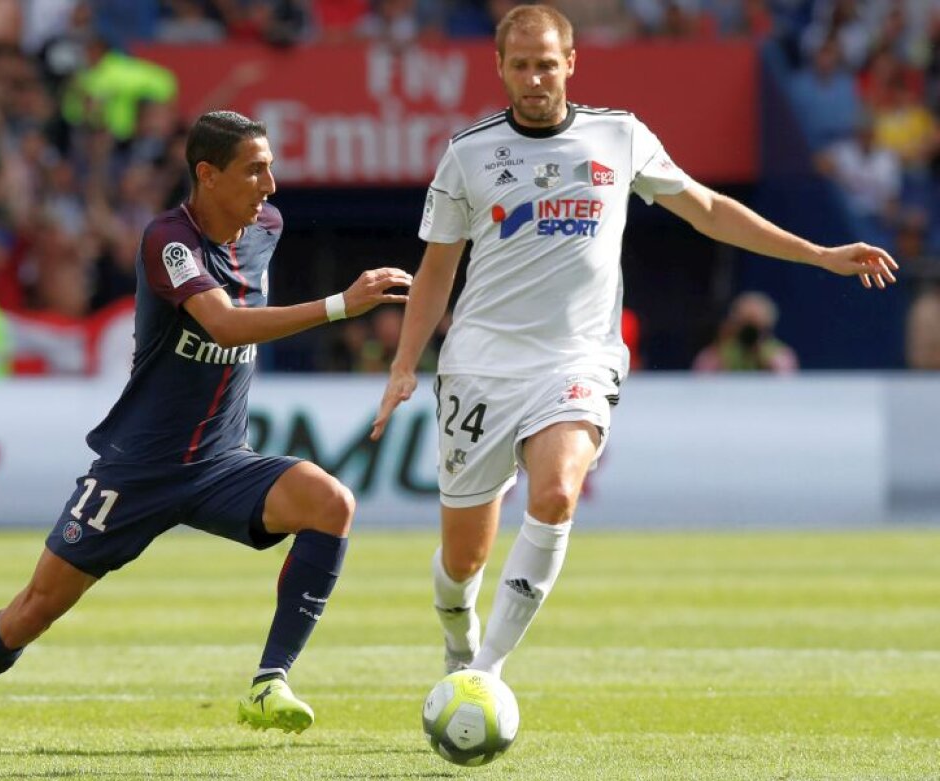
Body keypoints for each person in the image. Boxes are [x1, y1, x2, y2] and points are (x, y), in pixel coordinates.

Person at [370, 4, 898, 681]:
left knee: (556, 494)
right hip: (480, 367)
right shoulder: (468, 154)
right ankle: (458, 632)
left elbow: (708, 209)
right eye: (521, 65)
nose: (535, 78)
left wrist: (819, 254)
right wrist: (405, 364)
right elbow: (437, 270)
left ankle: (485, 673)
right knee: (462, 560)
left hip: (577, 360)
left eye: (547, 64)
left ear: (571, 63)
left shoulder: (618, 136)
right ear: (500, 67)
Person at [0, 110, 412, 773]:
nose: (270, 184)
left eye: (271, 167)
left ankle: (270, 681)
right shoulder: (169, 241)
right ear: (207, 174)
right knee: (35, 608)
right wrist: (340, 306)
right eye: (254, 169)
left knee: (330, 503)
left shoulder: (266, 228)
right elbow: (224, 326)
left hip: (220, 461)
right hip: (139, 469)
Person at [692, 291, 799, 373]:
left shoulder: (778, 354)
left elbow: (785, 383)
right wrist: (719, 348)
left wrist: (762, 357)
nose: (749, 334)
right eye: (745, 326)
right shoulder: (719, 353)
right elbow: (701, 382)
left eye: (755, 328)